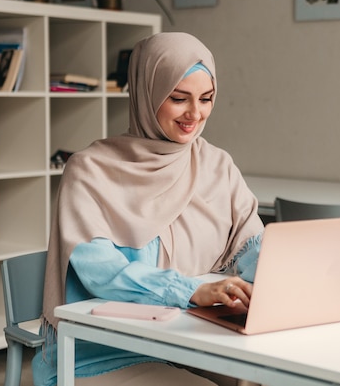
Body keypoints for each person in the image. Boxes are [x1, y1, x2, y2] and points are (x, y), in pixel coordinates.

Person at [33, 32, 264, 386]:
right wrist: (188, 291)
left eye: (206, 98)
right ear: (147, 93)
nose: (195, 114)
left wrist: (279, 277)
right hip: (107, 350)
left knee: (270, 377)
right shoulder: (90, 170)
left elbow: (252, 242)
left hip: (193, 340)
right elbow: (100, 271)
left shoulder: (217, 165)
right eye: (178, 98)